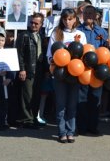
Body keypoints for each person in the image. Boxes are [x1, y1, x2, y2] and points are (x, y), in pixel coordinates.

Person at [47, 8, 87, 143]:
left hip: (75, 74)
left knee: (71, 104)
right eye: (64, 19)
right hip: (60, 74)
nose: (67, 21)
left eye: (70, 19)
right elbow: (49, 54)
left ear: (75, 19)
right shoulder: (56, 34)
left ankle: (71, 131)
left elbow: (85, 54)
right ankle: (62, 132)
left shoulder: (81, 34)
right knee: (61, 104)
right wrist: (54, 61)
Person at [77, 6, 109, 136]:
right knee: (82, 99)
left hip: (98, 71)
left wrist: (108, 45)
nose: (89, 15)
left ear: (96, 15)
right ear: (82, 15)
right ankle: (82, 126)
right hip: (83, 70)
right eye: (86, 13)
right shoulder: (78, 31)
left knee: (95, 99)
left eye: (91, 13)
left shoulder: (101, 32)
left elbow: (105, 48)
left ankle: (93, 126)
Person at [16, 13, 46, 129]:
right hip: (28, 70)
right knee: (27, 96)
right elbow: (19, 54)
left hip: (39, 69)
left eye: (36, 23)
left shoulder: (41, 36)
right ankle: (27, 120)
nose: (33, 25)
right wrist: (22, 69)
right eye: (32, 22)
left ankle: (34, 118)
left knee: (36, 96)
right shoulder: (23, 35)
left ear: (41, 24)